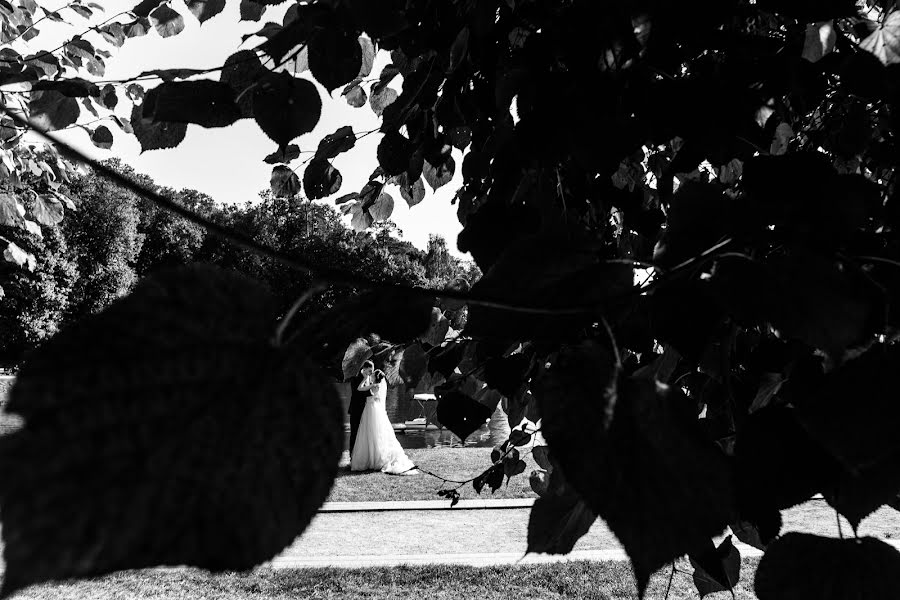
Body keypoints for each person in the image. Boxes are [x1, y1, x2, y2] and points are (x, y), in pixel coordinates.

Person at [350, 361, 419, 475]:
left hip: (371, 409)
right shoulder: (373, 384)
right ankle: (371, 457)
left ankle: (373, 458)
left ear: (375, 377)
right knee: (371, 433)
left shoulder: (374, 386)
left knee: (372, 433)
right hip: (371, 409)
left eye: (372, 373)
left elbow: (360, 389)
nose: (370, 374)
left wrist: (367, 381)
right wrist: (366, 379)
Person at [347, 364, 370, 459]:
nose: (370, 373)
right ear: (364, 369)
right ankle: (352, 456)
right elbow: (357, 391)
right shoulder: (355, 378)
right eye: (369, 370)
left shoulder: (368, 377)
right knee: (354, 433)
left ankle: (361, 456)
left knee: (363, 434)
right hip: (356, 409)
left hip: (365, 410)